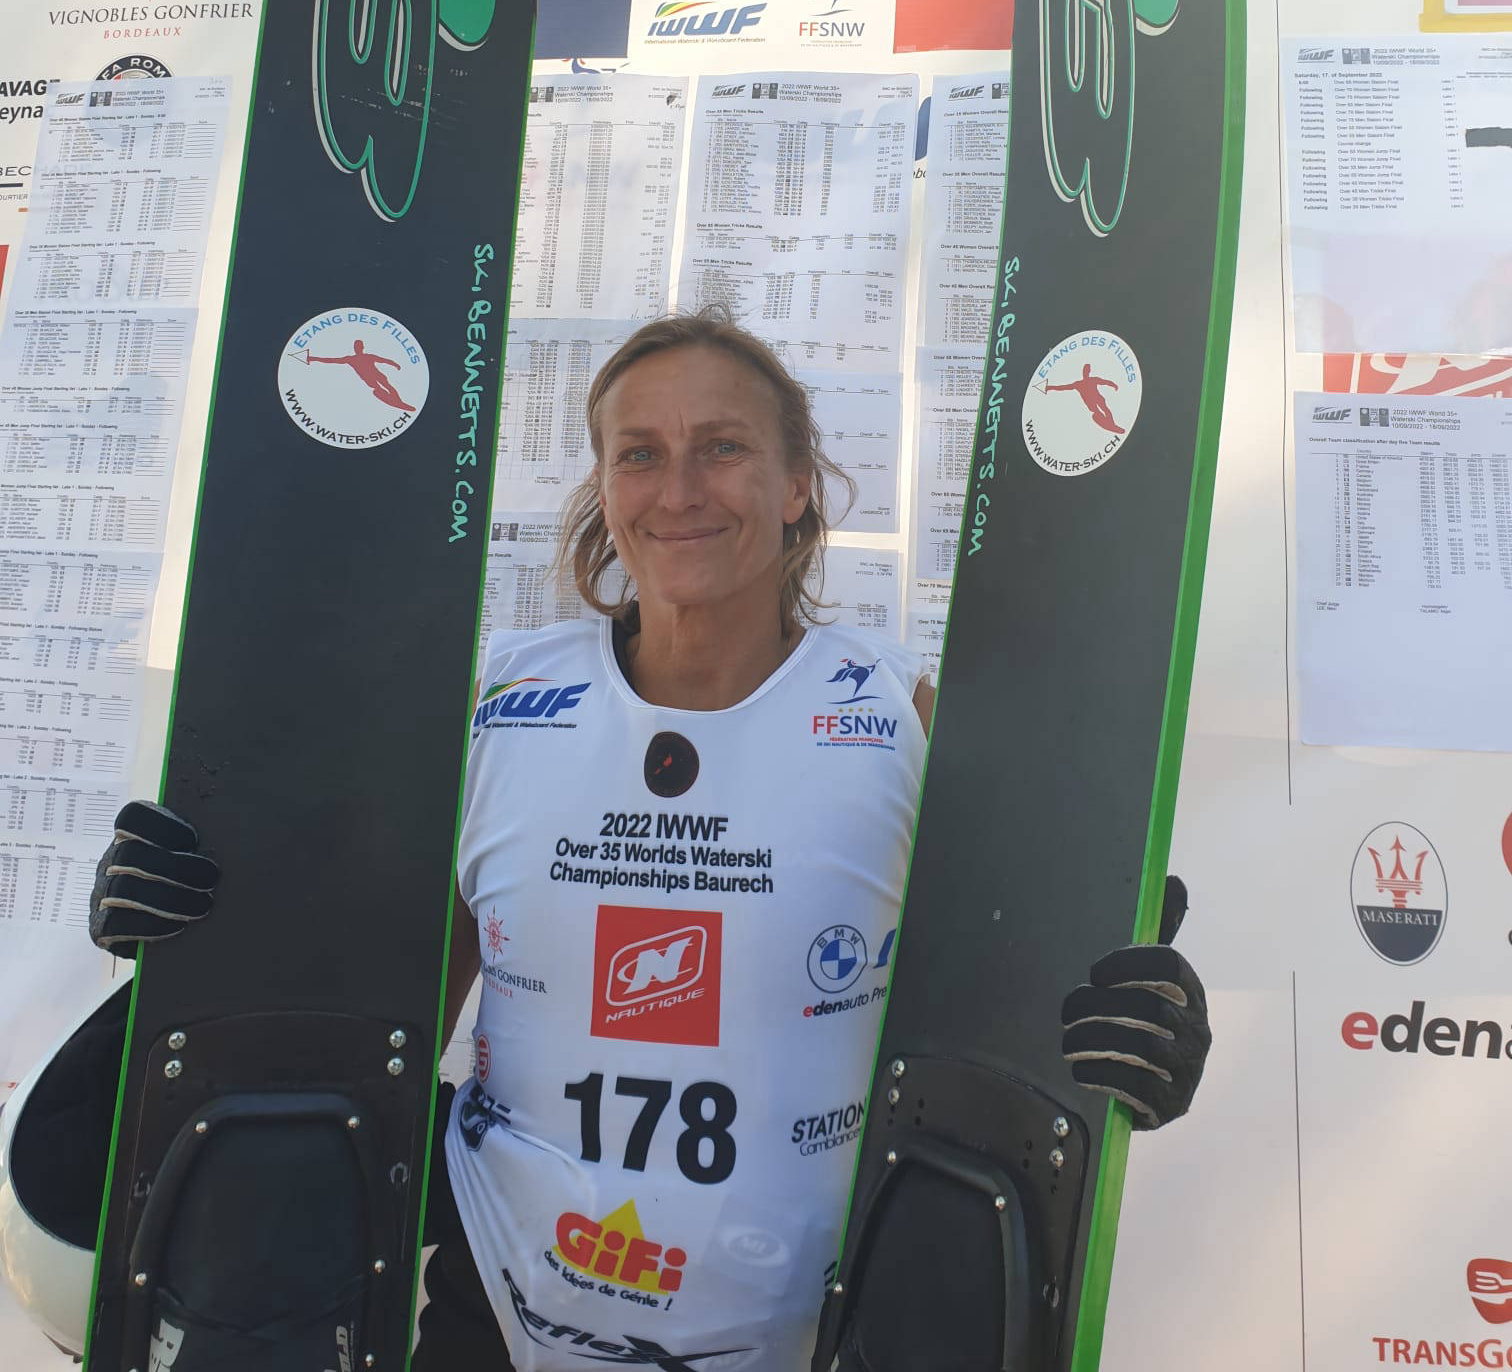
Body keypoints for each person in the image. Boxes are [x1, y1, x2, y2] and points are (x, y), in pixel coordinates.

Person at [3, 308, 1210, 1368]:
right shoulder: (499, 706)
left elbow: (1018, 1010)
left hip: (809, 1318)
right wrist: (201, 930)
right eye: (640, 454)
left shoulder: (901, 715)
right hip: (499, 1303)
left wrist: (1132, 1039)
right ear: (603, 487)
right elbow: (374, 1001)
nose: (678, 491)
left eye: (722, 448)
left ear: (799, 485)